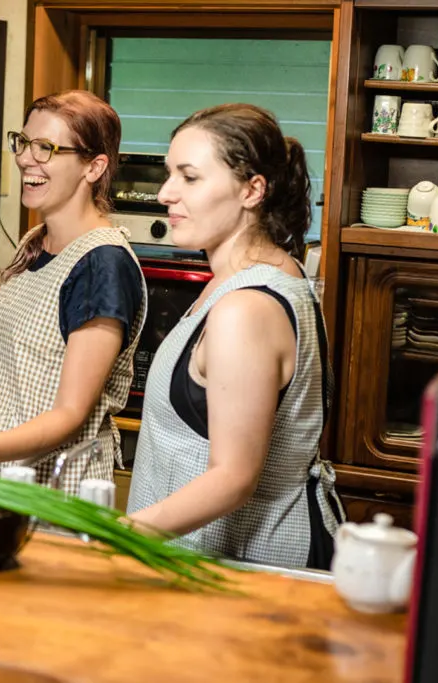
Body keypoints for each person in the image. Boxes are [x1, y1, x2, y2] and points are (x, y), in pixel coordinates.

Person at [125, 103, 343, 570]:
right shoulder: (260, 274)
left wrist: (121, 535)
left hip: (248, 567)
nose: (166, 193)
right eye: (169, 175)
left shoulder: (246, 309)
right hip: (203, 561)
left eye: (189, 177)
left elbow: (234, 476)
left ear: (252, 189)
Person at [0, 90, 147, 495]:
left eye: (46, 148)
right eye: (23, 143)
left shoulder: (102, 264)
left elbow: (70, 414)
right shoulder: (36, 242)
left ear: (93, 167)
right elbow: (33, 357)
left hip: (51, 492)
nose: (25, 158)